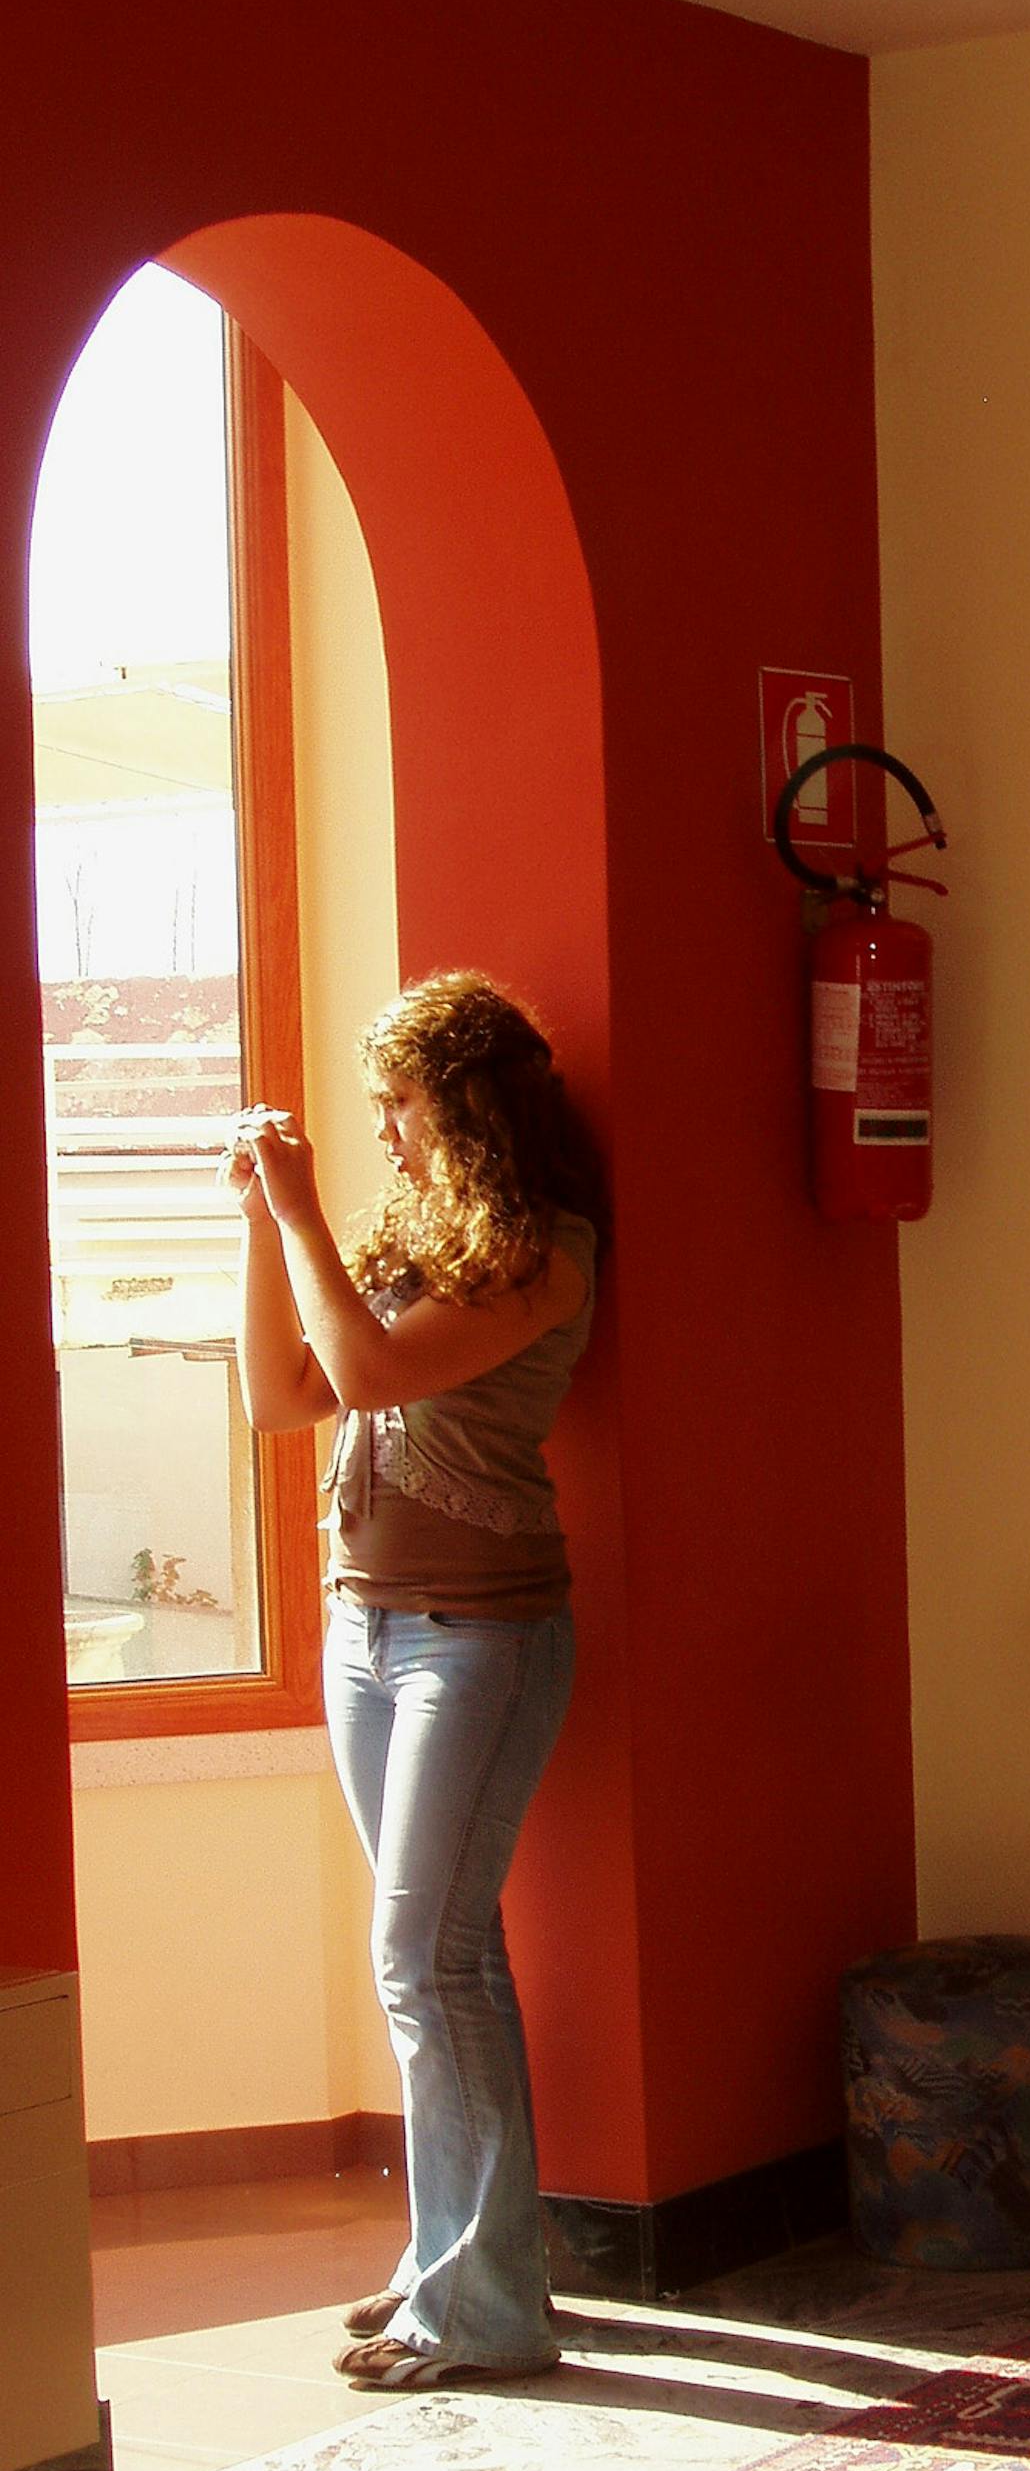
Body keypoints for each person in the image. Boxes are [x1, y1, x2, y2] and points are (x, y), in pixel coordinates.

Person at [227, 971, 607, 2392]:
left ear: (466, 1106)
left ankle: (488, 2305)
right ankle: (453, 2265)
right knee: (445, 1960)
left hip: (483, 1641)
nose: (383, 1130)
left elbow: (377, 1372)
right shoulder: (404, 1242)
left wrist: (303, 1210)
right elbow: (285, 1395)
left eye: (400, 1103)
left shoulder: (548, 1252)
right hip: (367, 1632)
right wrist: (266, 1228)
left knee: (423, 1959)